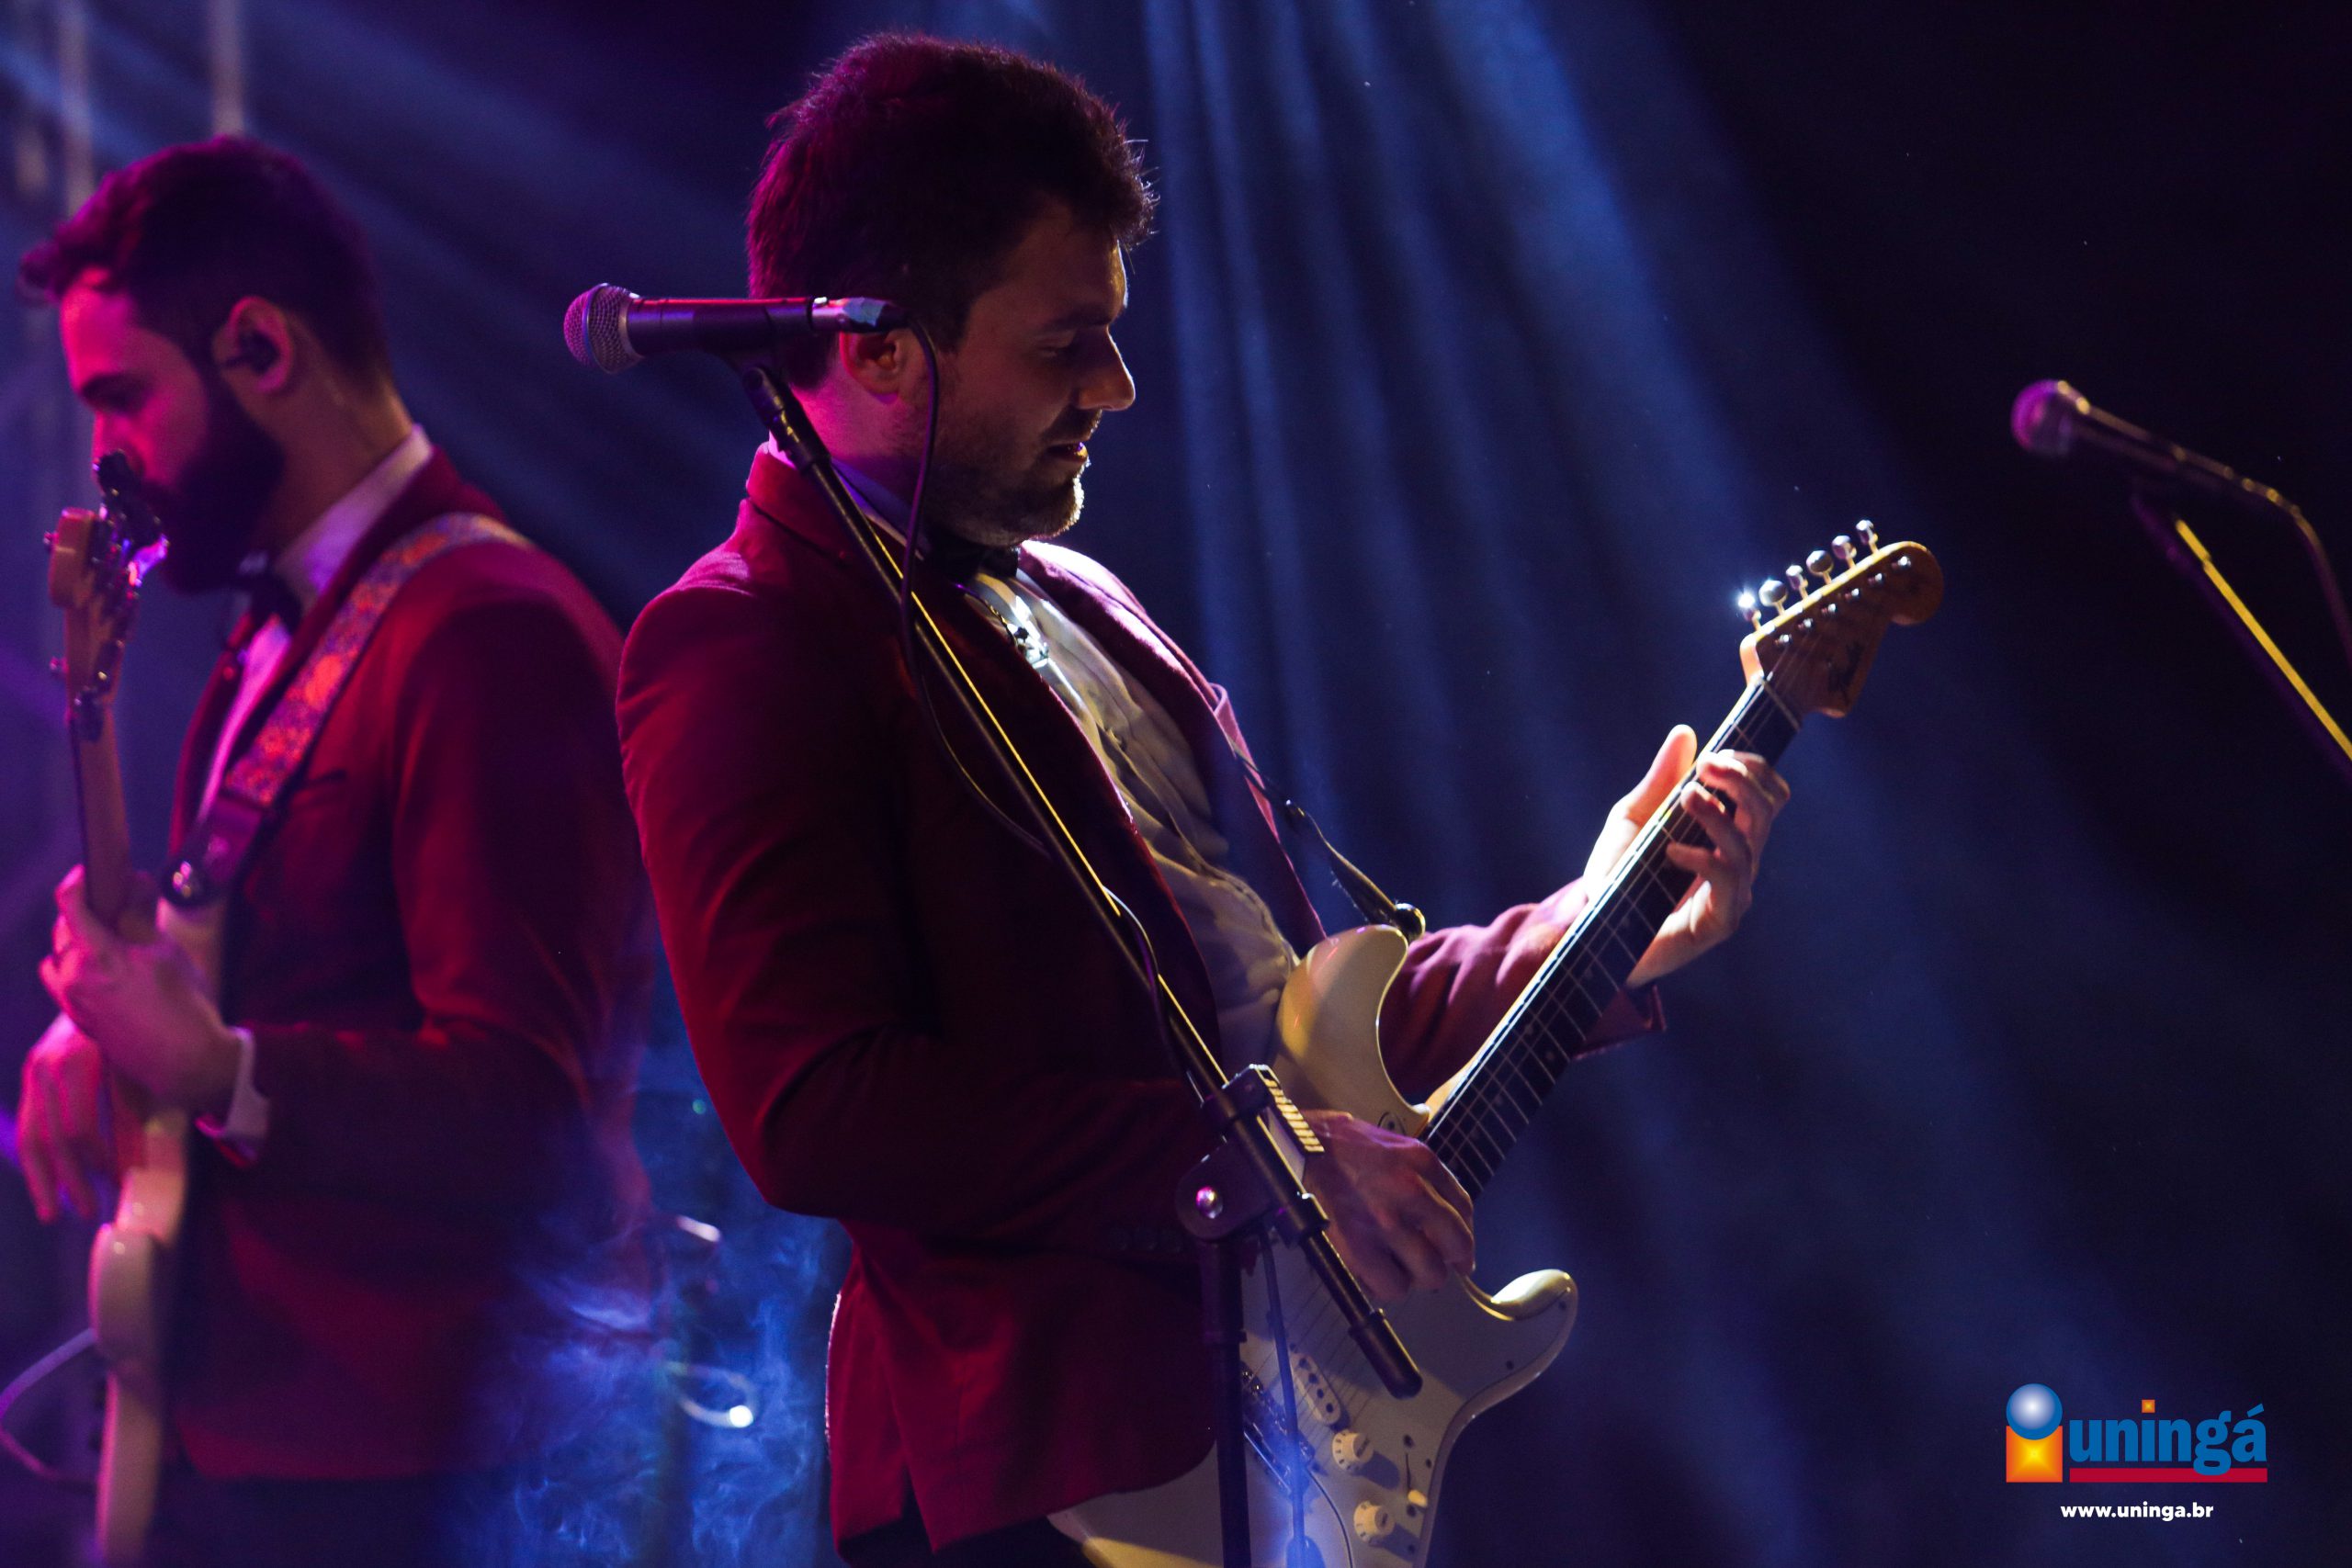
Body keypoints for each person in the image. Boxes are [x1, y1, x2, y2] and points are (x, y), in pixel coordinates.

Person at [617, 34, 1789, 1568]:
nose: (1115, 386)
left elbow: (1290, 1031)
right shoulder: (745, 640)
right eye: (1067, 344)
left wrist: (1597, 922)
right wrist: (1270, 1162)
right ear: (882, 348)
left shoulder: (1081, 600)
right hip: (1055, 1488)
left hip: (1273, 1447)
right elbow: (817, 1110)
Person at [15, 137, 651, 1567]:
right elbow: (275, 961)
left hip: (410, 1470)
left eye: (124, 398)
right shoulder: (288, 621)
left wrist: (218, 1071)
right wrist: (114, 1027)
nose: (107, 457)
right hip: (266, 1441)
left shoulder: (489, 630)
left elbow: (529, 1112)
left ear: (260, 348)